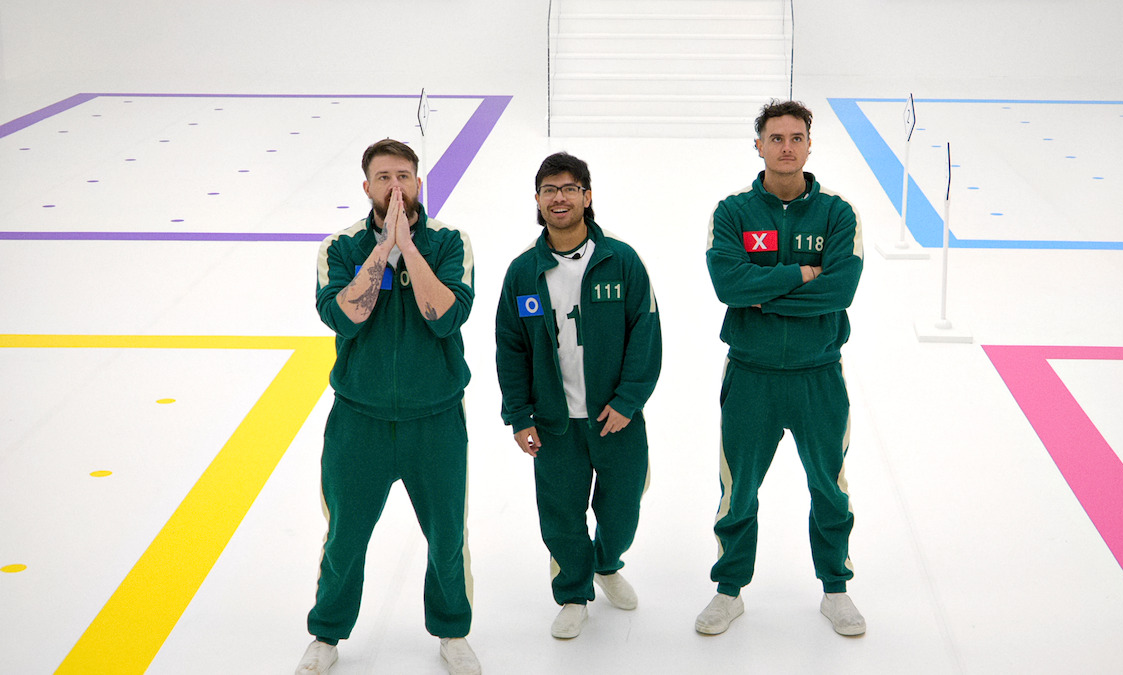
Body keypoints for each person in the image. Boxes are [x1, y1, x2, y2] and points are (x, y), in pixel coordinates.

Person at [296, 139, 481, 675]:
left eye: (404, 176)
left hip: (436, 420)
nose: (395, 187)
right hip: (360, 421)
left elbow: (445, 316)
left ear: (419, 182)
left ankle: (452, 630)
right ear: (366, 187)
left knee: (447, 534)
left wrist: (410, 248)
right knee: (344, 536)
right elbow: (345, 319)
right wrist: (382, 251)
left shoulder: (451, 243)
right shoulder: (340, 247)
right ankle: (326, 634)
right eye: (384, 178)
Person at [695, 100, 866, 637]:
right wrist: (802, 274)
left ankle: (835, 589)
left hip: (820, 375)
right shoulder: (732, 213)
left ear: (810, 145)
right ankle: (729, 591)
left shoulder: (839, 214)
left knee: (830, 488)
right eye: (776, 137)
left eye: (796, 137)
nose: (786, 146)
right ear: (759, 145)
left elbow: (841, 290)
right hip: (751, 374)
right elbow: (728, 286)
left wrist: (765, 295)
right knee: (737, 488)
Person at [495, 152, 662, 639]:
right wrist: (519, 415)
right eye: (550, 190)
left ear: (587, 197)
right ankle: (572, 591)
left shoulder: (622, 261)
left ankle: (607, 565)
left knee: (622, 507)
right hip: (554, 422)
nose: (560, 197)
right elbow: (510, 348)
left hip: (616, 418)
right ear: (538, 201)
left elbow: (646, 333)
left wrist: (628, 400)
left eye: (569, 188)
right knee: (562, 513)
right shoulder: (524, 272)